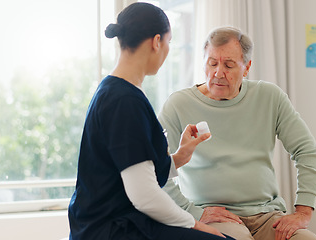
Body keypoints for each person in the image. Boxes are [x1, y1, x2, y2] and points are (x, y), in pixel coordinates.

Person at [67, 3, 235, 240]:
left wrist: (178, 158)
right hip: (112, 229)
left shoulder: (114, 90)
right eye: (169, 41)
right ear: (157, 42)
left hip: (108, 221)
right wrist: (194, 224)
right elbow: (144, 195)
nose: (167, 50)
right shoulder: (124, 100)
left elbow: (133, 170)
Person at [158, 26, 316, 240]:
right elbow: (155, 165)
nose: (218, 73)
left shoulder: (269, 97)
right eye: (212, 63)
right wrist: (191, 211)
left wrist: (303, 212)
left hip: (267, 215)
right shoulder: (178, 104)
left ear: (247, 68)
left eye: (229, 65)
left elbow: (308, 151)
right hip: (212, 215)